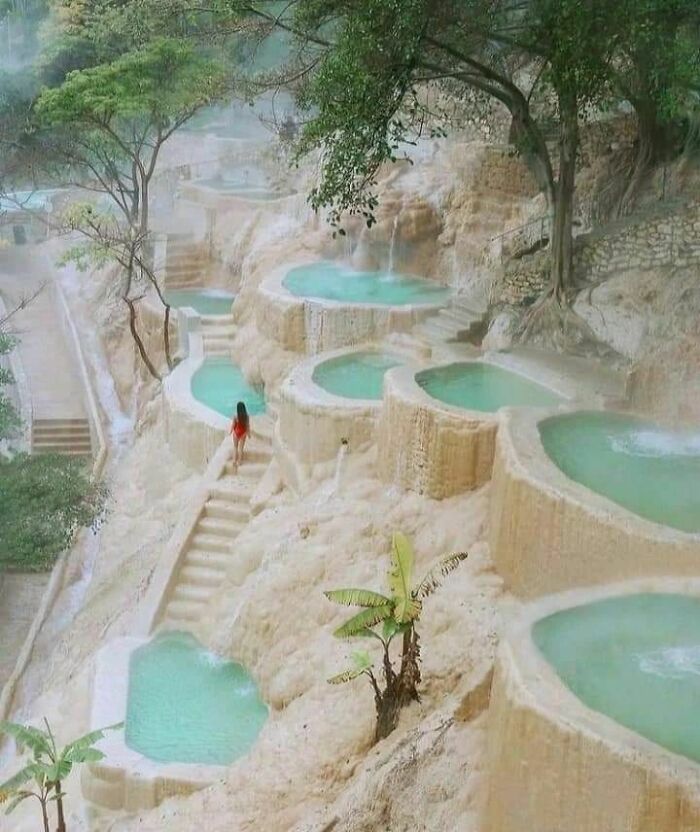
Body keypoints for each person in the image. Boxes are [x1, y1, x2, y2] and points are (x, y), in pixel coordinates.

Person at [230, 401, 250, 467]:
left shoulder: (235, 415)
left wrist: (230, 432)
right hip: (243, 433)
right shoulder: (247, 416)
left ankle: (234, 461)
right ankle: (239, 462)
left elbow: (233, 425)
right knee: (241, 448)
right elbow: (247, 426)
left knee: (235, 447)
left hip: (236, 432)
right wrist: (248, 434)